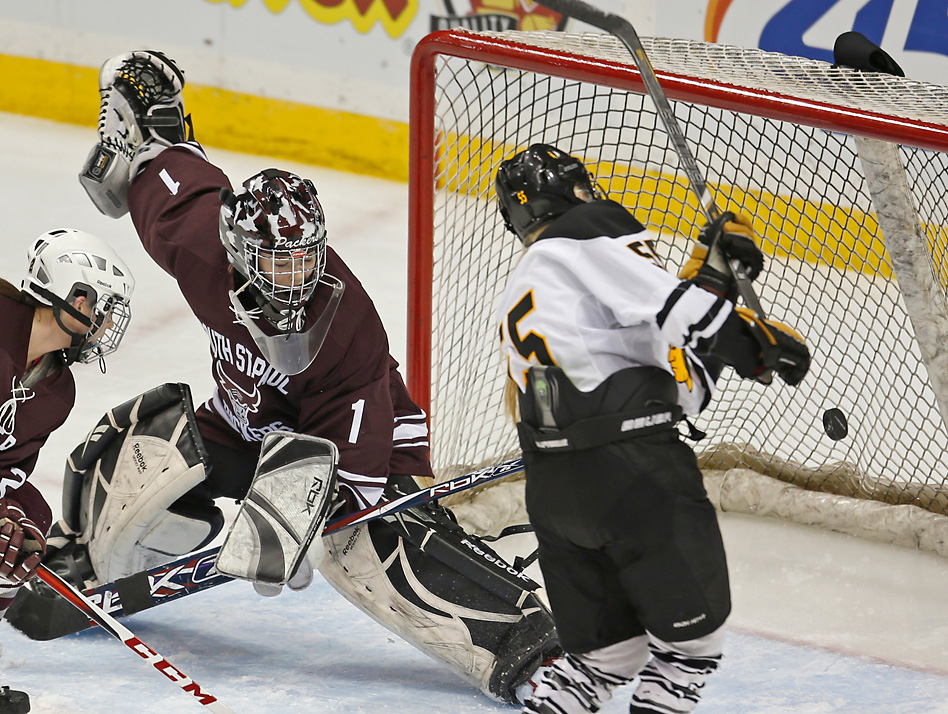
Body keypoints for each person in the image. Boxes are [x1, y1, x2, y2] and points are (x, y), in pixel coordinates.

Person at [45, 50, 559, 704]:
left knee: (369, 553)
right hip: (242, 427)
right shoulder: (197, 246)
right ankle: (85, 558)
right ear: (233, 253)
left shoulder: (348, 325)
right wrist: (143, 120)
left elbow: (352, 467)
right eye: (272, 264)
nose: (293, 282)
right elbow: (166, 166)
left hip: (350, 445)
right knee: (136, 448)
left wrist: (291, 521)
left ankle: (523, 642)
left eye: (302, 260)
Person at [494, 144, 811, 713]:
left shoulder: (530, 288)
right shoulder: (587, 228)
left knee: (602, 662)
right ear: (573, 194)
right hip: (634, 475)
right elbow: (672, 308)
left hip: (556, 491)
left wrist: (715, 279)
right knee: (689, 651)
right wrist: (753, 342)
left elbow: (679, 387)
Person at [0, 228, 134, 714]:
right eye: (104, 307)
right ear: (75, 296)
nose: (106, 323)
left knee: (21, 531)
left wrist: (12, 521)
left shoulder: (56, 391)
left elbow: (10, 471)